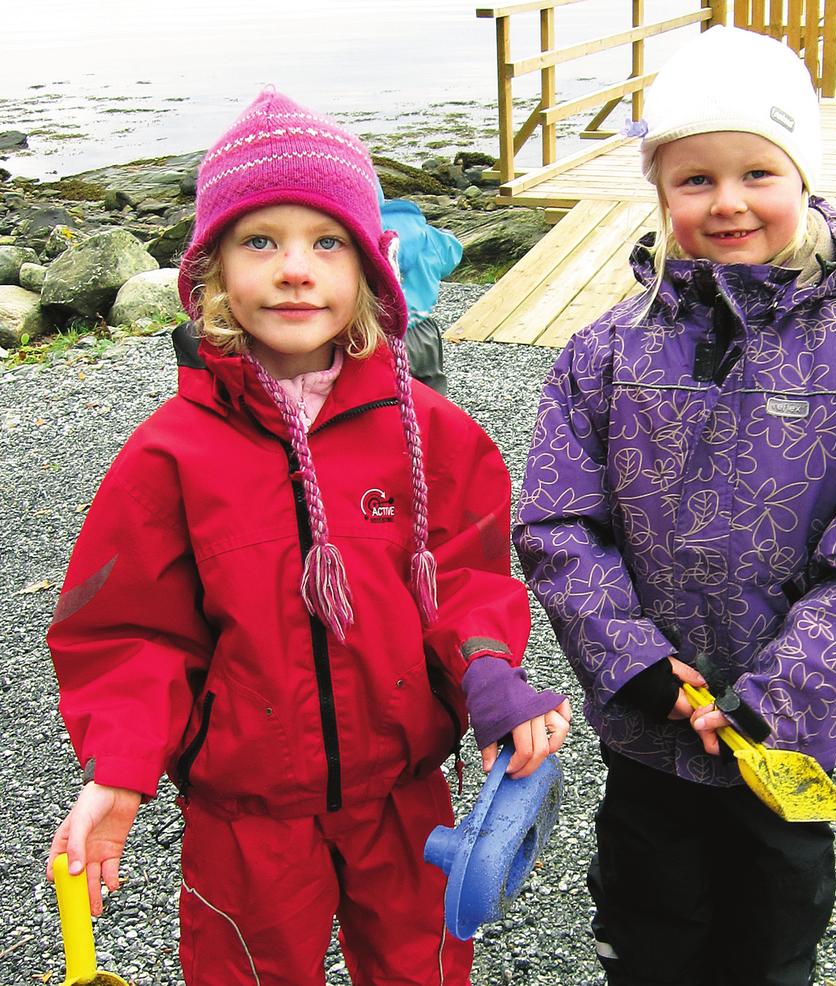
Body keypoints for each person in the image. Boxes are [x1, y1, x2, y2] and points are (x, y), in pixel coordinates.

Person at [45, 88, 571, 986]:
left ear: (370, 269)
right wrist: (122, 769)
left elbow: (469, 577)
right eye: (261, 242)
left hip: (404, 794)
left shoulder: (432, 432)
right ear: (210, 273)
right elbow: (132, 632)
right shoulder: (167, 455)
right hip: (245, 815)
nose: (296, 270)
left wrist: (488, 672)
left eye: (326, 242)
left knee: (421, 966)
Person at [513, 26, 836, 986]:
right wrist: (635, 663)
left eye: (757, 172)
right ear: (659, 193)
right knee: (650, 929)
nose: (728, 200)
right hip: (654, 722)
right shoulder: (604, 352)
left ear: (804, 178)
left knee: (773, 936)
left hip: (792, 726)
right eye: (694, 178)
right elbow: (556, 523)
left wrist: (777, 689)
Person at [379, 184, 462, 395]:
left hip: (381, 336)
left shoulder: (367, 236)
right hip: (423, 329)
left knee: (386, 393)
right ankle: (433, 425)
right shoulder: (425, 235)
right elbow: (452, 254)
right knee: (432, 388)